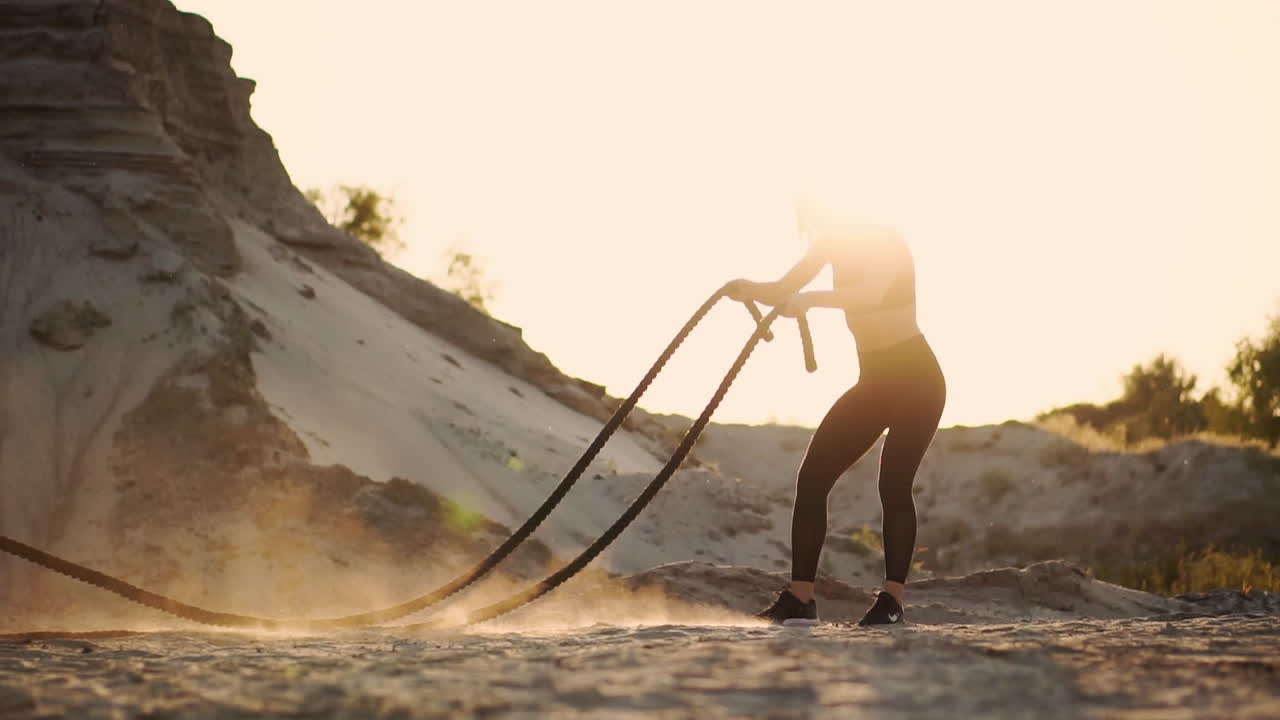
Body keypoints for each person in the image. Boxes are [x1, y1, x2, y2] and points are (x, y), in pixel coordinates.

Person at [725, 201, 946, 627]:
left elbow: (871, 294)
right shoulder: (829, 246)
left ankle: (892, 601)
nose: (813, 228)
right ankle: (800, 598)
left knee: (894, 483)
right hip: (874, 384)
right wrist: (748, 288)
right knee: (812, 478)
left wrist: (808, 299)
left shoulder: (885, 241)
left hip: (919, 381)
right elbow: (783, 288)